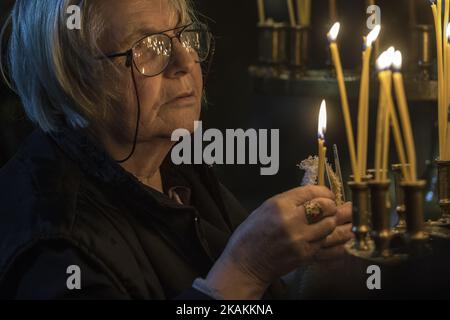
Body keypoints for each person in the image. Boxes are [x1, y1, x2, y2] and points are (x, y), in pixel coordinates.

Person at [0, 0, 353, 300]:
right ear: (72, 77)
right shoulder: (53, 243)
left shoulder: (173, 159)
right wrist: (246, 268)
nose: (185, 61)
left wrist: (308, 271)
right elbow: (237, 278)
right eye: (148, 45)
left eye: (184, 35)